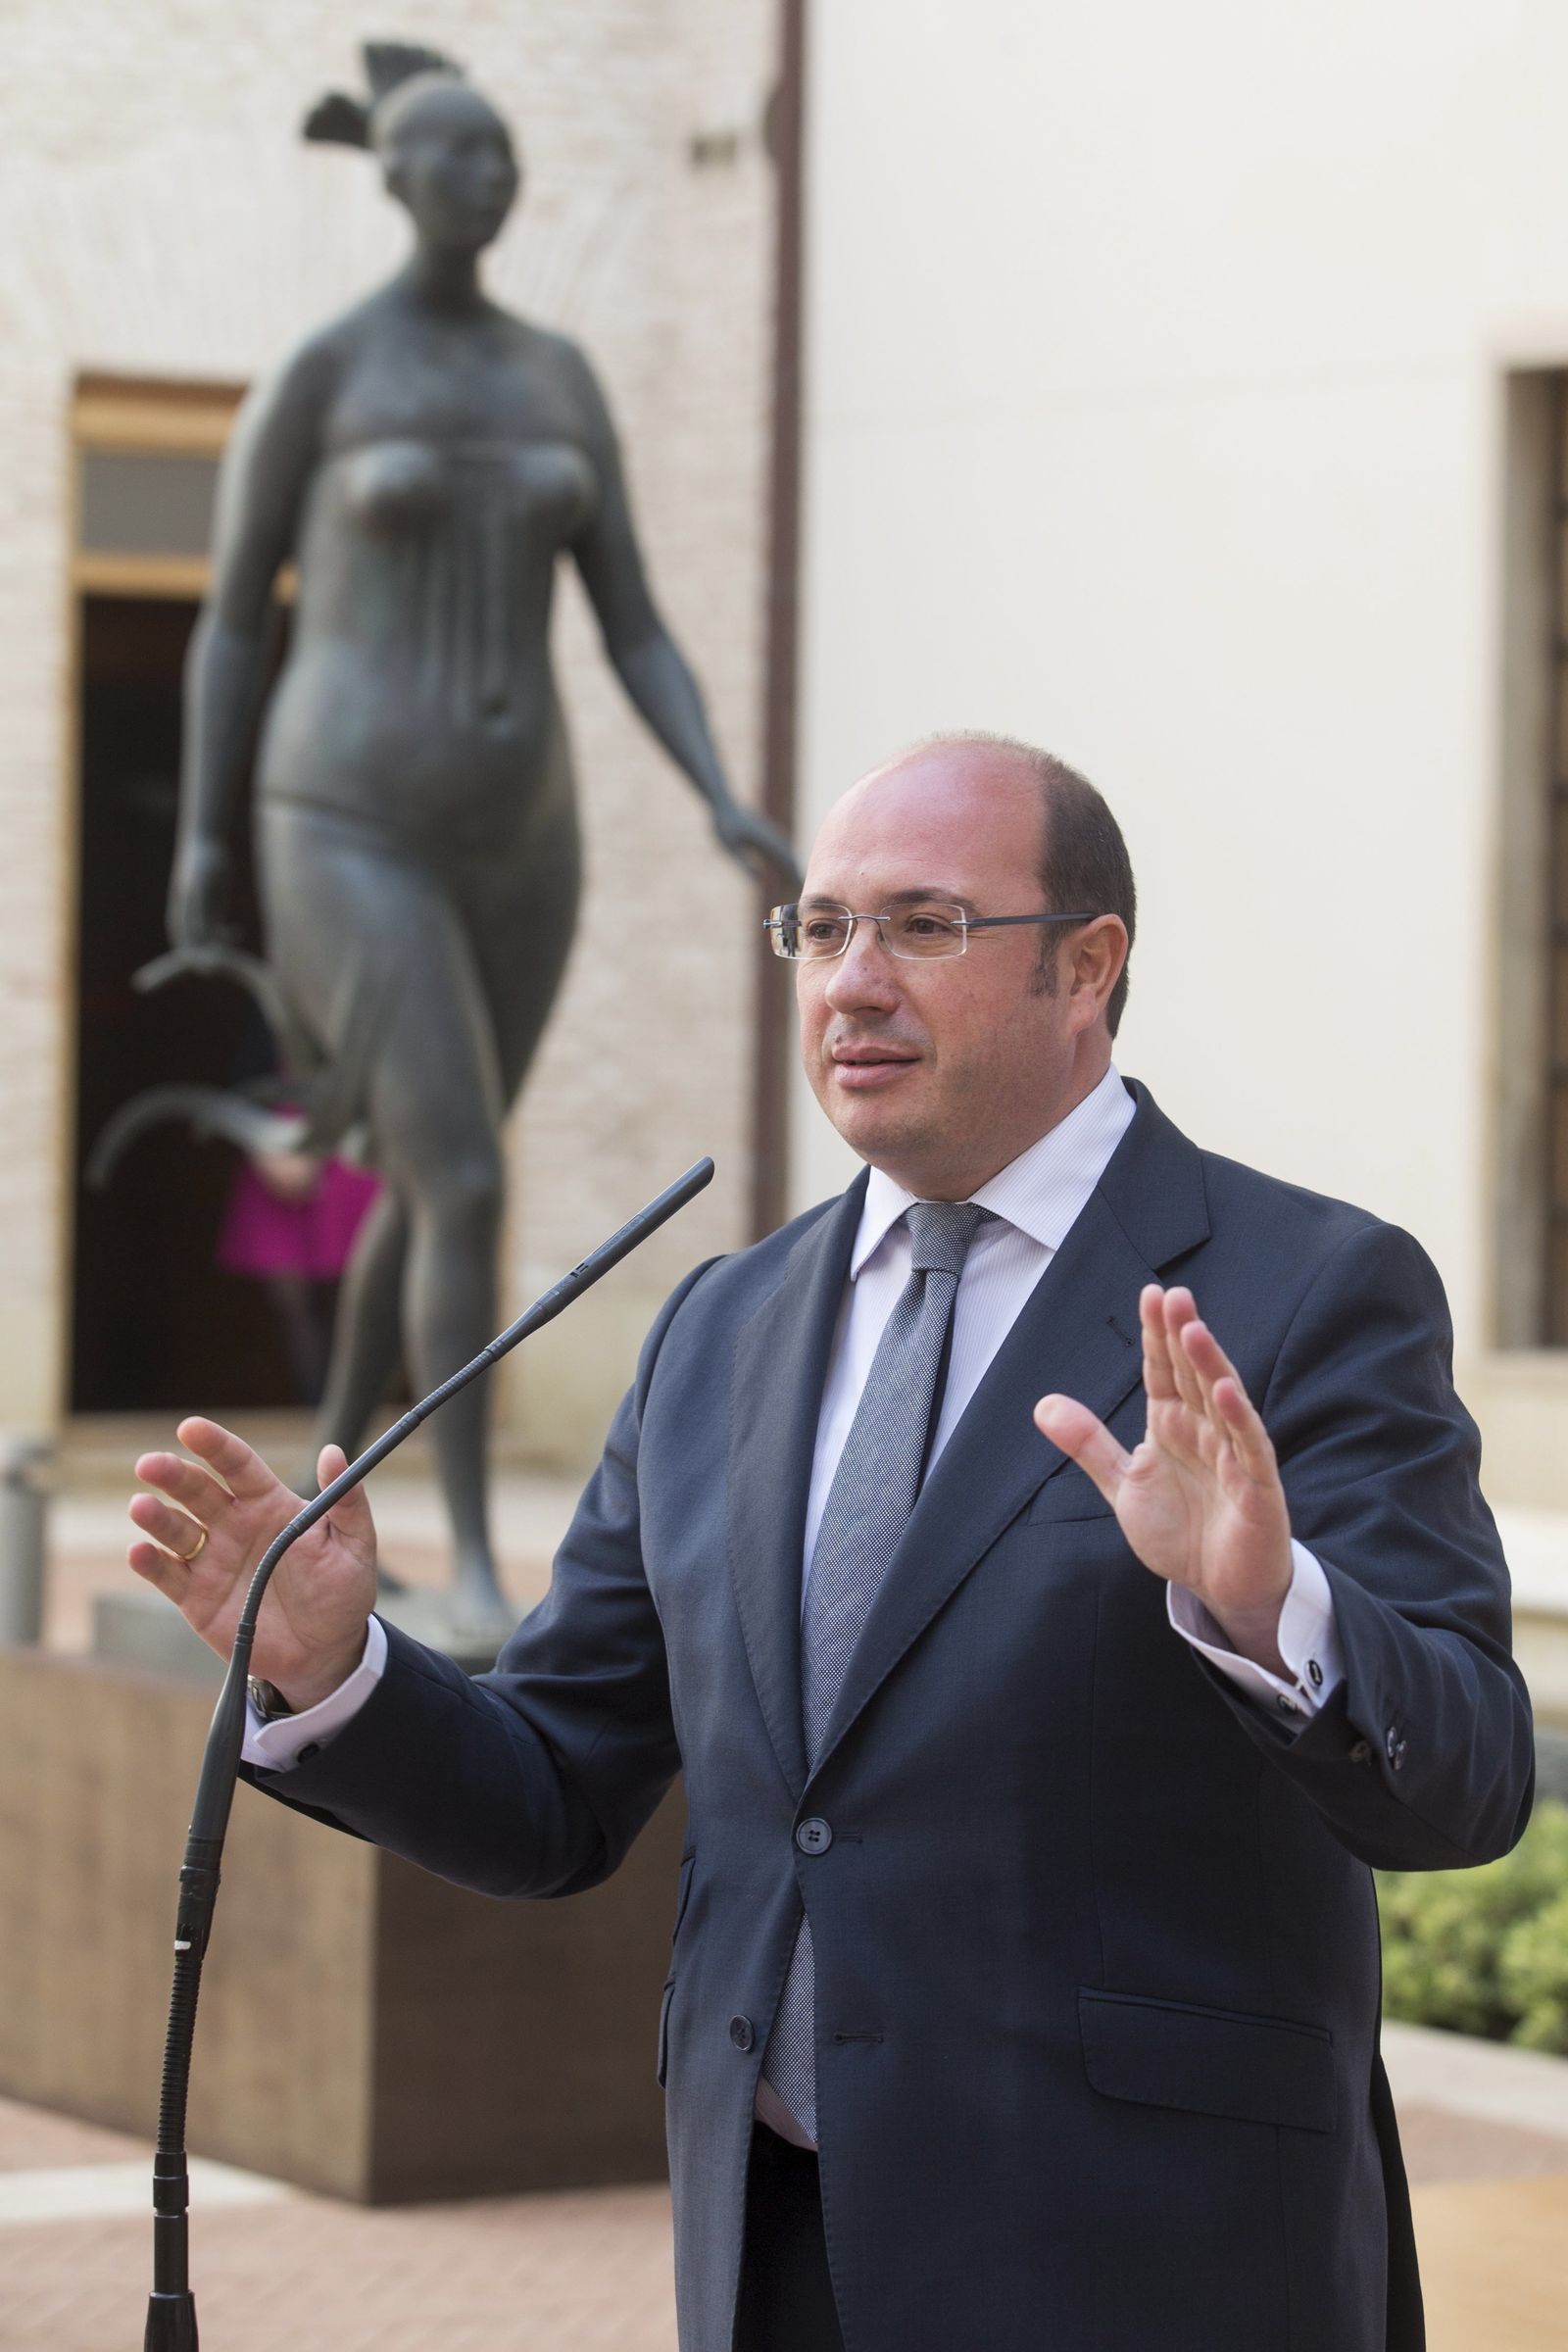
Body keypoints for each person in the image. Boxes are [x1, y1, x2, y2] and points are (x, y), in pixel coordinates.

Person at [128, 735, 1532, 2352]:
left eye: (924, 926)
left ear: (1090, 967)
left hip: (1155, 2261)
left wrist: (1268, 1601)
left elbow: (1472, 1777)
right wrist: (332, 1668)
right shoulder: (718, 1328)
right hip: (778, 2246)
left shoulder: (1307, 1291)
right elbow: (560, 1786)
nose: (850, 983)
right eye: (821, 928)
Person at [168, 42, 793, 1635]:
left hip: (527, 839)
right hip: (343, 820)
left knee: (433, 1184)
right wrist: (198, 837)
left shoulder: (559, 376)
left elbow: (639, 627)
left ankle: (329, 1496)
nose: (488, 179)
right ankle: (458, 1555)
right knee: (455, 1170)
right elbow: (232, 629)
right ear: (394, 176)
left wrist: (719, 791)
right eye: (455, 153)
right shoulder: (326, 371)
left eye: (503, 153)